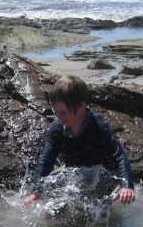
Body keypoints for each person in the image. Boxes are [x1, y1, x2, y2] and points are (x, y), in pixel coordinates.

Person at [22, 75, 136, 207]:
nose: (58, 117)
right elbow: (46, 159)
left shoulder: (97, 125)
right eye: (55, 112)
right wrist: (36, 190)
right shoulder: (58, 127)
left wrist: (127, 185)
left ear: (82, 105)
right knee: (52, 193)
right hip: (77, 174)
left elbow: (119, 156)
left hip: (102, 174)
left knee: (98, 206)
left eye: (63, 112)